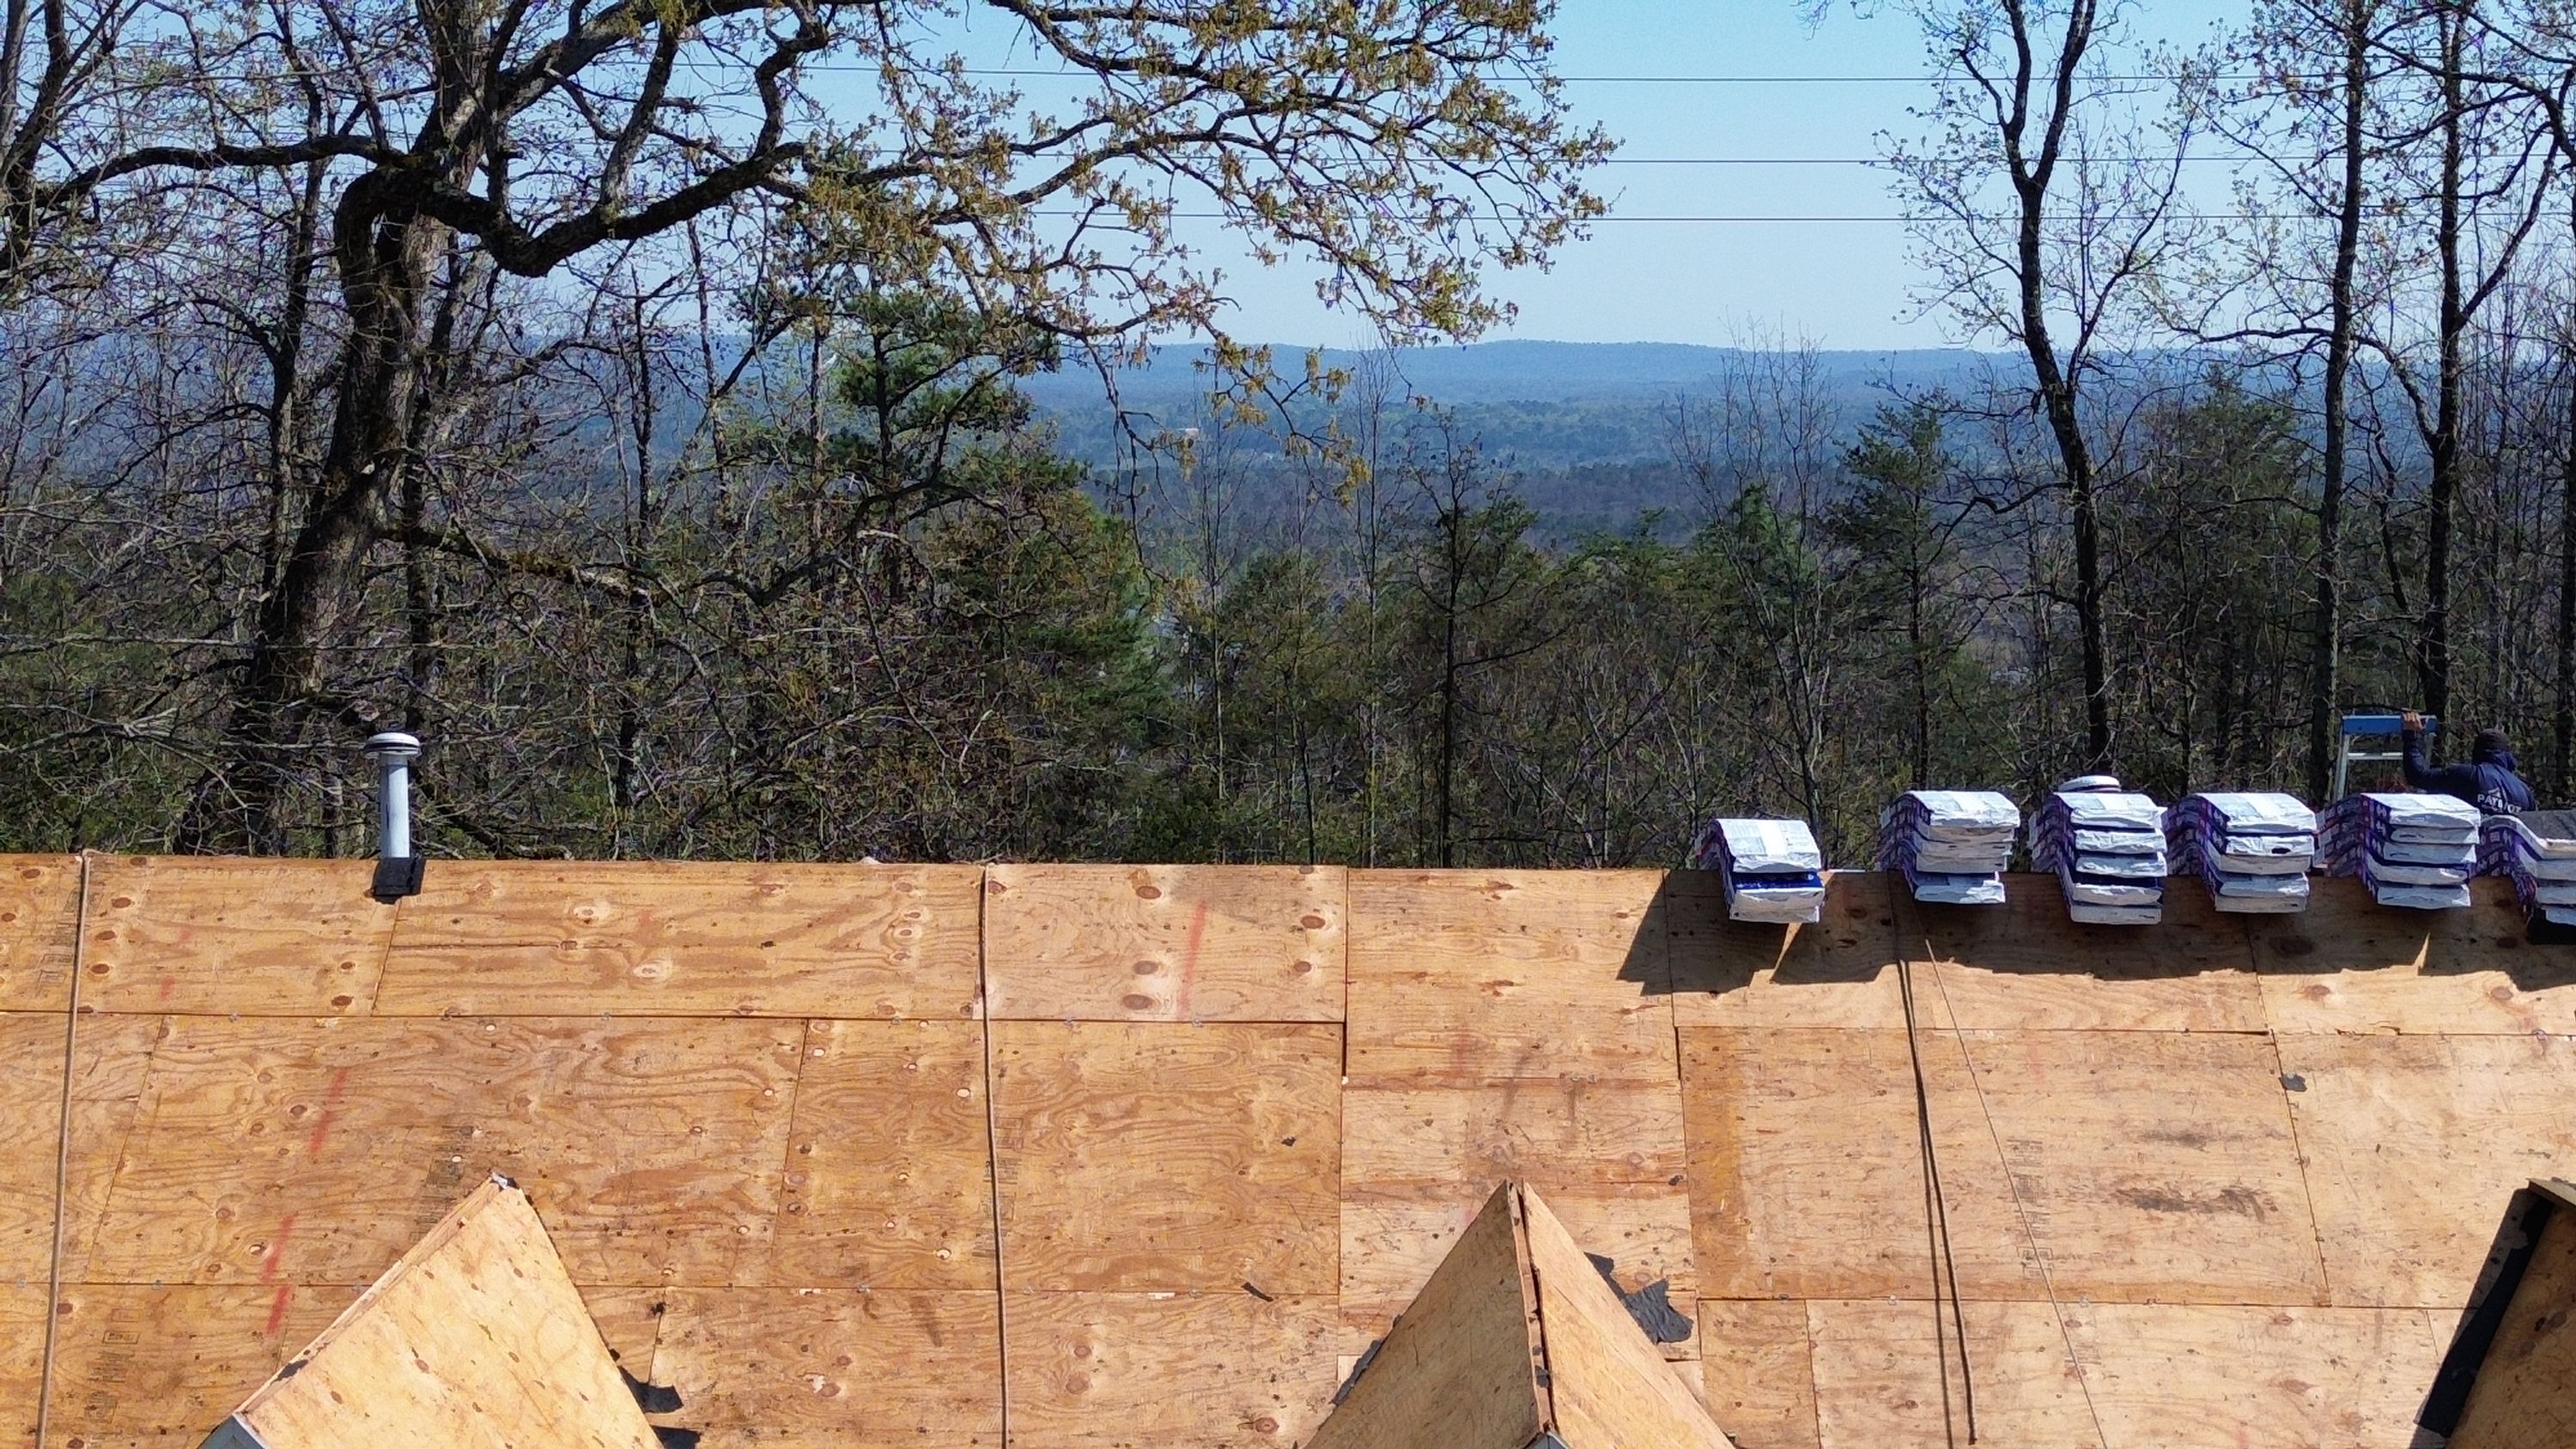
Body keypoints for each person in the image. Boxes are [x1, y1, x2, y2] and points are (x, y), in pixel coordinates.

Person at [2399, 711, 2535, 815]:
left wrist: (2411, 736)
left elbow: (2417, 776)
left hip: (2471, 849)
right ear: (2508, 756)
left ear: (2478, 751)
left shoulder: (2468, 776)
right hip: (2508, 851)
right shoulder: (2524, 792)